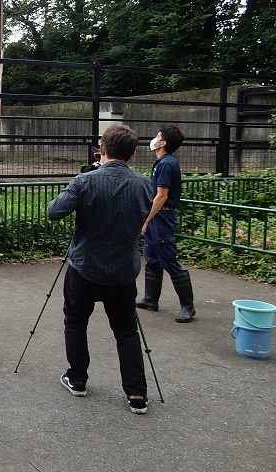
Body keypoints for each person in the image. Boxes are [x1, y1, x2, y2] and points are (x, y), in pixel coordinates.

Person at [47, 124, 154, 415]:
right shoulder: (145, 185)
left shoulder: (85, 182)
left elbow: (54, 211)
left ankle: (77, 378)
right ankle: (136, 394)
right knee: (126, 331)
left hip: (84, 268)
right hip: (123, 271)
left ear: (102, 149)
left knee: (76, 322)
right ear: (132, 155)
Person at [138, 125, 195, 322]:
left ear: (163, 143)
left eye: (157, 136)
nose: (153, 139)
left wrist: (147, 219)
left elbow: (161, 196)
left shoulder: (165, 164)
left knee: (168, 257)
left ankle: (188, 306)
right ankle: (150, 299)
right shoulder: (162, 162)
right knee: (152, 256)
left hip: (162, 216)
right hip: (159, 216)